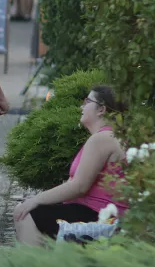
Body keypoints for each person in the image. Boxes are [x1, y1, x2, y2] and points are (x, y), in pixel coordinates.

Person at [14, 86, 127, 245]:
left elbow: (79, 186)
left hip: (100, 218)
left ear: (101, 109)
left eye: (87, 101)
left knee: (26, 214)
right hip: (95, 212)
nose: (82, 106)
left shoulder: (103, 139)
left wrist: (36, 200)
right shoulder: (106, 136)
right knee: (29, 207)